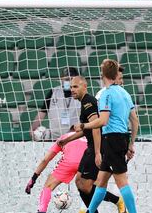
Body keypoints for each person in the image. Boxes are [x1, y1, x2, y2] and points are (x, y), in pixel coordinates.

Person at [73, 59, 139, 213]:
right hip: (121, 138)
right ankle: (90, 211)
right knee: (101, 181)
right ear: (116, 74)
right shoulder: (125, 93)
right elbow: (135, 121)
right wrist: (131, 143)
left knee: (122, 181)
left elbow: (103, 120)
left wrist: (83, 125)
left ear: (102, 74)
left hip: (112, 140)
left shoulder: (106, 95)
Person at [59, 76, 126, 213]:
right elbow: (87, 129)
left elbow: (96, 128)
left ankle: (118, 201)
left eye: (76, 87)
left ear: (85, 86)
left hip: (98, 147)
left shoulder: (88, 102)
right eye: (71, 87)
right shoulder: (84, 102)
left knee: (87, 185)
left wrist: (97, 153)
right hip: (91, 147)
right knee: (79, 182)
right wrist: (67, 140)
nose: (72, 90)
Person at [25, 126, 88, 213]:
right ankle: (84, 210)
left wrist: (33, 178)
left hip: (68, 163)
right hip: (86, 162)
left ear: (69, 130)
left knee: (48, 186)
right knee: (89, 189)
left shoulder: (63, 137)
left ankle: (42, 211)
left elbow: (45, 160)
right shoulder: (89, 137)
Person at [31, 67, 81, 140]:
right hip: (54, 135)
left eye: (72, 79)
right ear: (61, 79)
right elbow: (42, 112)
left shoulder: (82, 94)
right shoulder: (53, 92)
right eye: (67, 79)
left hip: (74, 135)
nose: (69, 81)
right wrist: (32, 129)